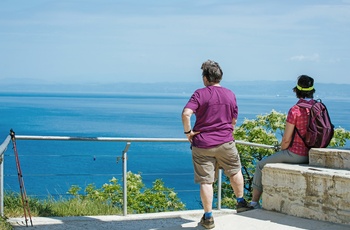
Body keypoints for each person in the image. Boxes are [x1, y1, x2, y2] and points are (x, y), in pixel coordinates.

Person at [181, 60, 251, 229]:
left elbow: (186, 113)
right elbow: (234, 118)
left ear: (206, 78)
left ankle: (209, 217)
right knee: (234, 170)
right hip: (226, 141)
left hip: (203, 144)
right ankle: (240, 202)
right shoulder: (230, 94)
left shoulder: (200, 94)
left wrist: (188, 133)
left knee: (206, 181)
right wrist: (229, 130)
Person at [249, 75, 315, 209]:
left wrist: (282, 150)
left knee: (261, 165)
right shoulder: (317, 108)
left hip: (297, 154)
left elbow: (286, 139)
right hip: (313, 153)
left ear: (297, 90)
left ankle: (254, 202)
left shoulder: (295, 110)